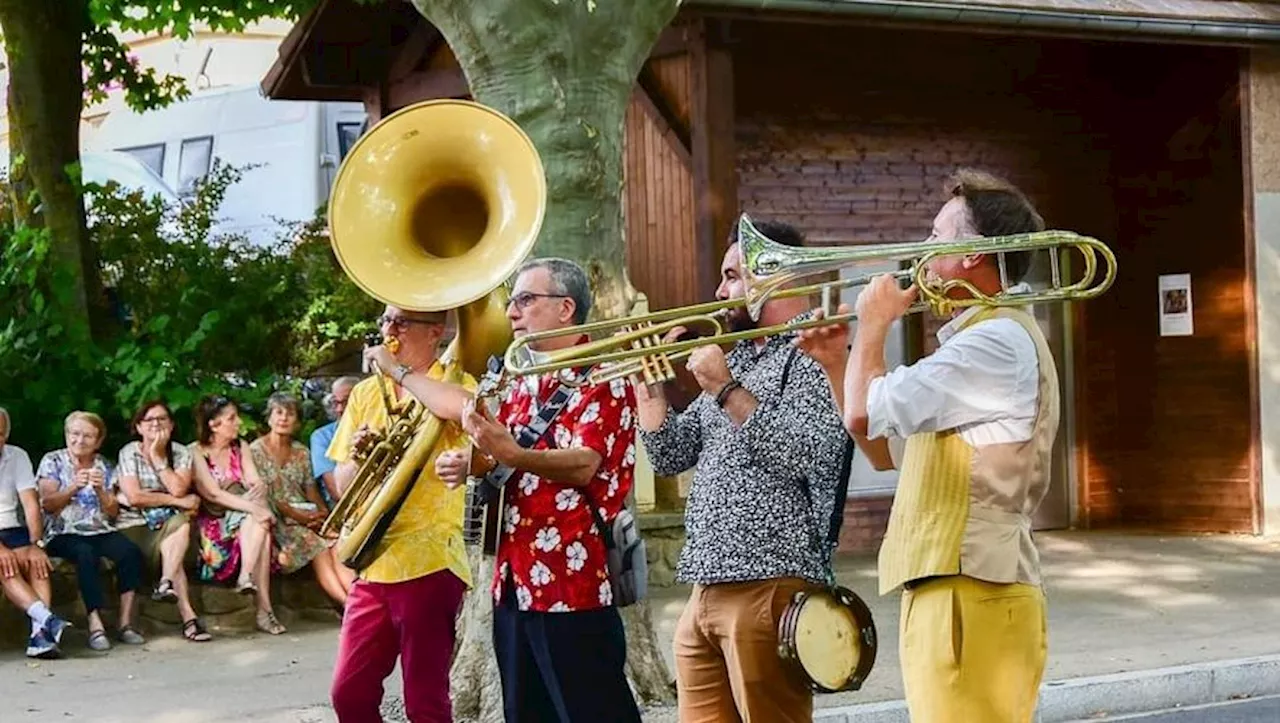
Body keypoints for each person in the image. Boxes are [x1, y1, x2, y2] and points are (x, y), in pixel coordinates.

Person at [796, 168, 1059, 723]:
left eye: (937, 237)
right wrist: (836, 361)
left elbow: (866, 409)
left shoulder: (996, 339)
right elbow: (881, 450)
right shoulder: (981, 338)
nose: (923, 250)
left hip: (973, 590)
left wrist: (871, 327)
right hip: (955, 587)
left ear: (972, 254)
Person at [635, 222, 850, 723]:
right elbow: (671, 455)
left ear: (779, 277)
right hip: (704, 586)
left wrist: (725, 388)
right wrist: (648, 387)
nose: (719, 292)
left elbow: (807, 454)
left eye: (732, 276)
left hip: (770, 582)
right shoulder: (743, 358)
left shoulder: (817, 353)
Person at [436, 257, 643, 723]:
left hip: (572, 581)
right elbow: (508, 457)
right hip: (513, 580)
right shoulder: (522, 378)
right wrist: (472, 461)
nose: (511, 312)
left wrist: (511, 454)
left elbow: (584, 465)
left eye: (526, 300)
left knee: (593, 712)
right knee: (525, 713)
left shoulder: (603, 376)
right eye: (512, 302)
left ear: (566, 308)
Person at [326, 305, 475, 723]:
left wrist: (400, 373)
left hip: (430, 558)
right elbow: (342, 483)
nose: (389, 329)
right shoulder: (364, 393)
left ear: (435, 333)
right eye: (385, 321)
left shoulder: (456, 380)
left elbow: (464, 407)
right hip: (374, 561)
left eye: (401, 322)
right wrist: (359, 456)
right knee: (348, 693)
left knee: (424, 701)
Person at [37, 411, 147, 651]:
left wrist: (100, 491)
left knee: (130, 552)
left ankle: (126, 623)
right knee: (86, 554)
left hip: (99, 529)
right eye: (75, 434)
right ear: (67, 435)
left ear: (97, 441)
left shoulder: (104, 465)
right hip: (62, 532)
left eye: (88, 436)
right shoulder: (53, 461)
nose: (80, 440)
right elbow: (48, 504)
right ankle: (95, 624)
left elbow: (113, 511)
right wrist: (73, 486)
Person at [115, 399, 211, 642]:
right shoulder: (129, 452)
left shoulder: (180, 453)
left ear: (171, 424)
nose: (155, 424)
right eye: (149, 420)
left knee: (180, 528)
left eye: (162, 419)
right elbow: (135, 497)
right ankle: (188, 618)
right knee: (176, 542)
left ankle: (167, 583)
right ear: (139, 427)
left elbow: (179, 487)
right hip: (134, 527)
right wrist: (176, 502)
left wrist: (158, 458)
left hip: (170, 527)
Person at [189, 395, 285, 635]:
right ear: (213, 424)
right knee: (261, 523)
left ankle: (247, 579)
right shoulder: (195, 452)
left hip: (246, 517)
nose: (238, 422)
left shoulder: (240, 447)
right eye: (231, 418)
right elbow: (213, 495)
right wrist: (253, 507)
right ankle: (264, 609)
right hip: (215, 527)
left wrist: (257, 489)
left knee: (259, 524)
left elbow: (253, 480)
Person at [250, 392, 353, 606]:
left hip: (304, 517)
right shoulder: (255, 451)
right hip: (277, 520)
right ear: (269, 418)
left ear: (297, 422)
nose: (284, 418)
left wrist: (322, 514)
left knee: (335, 541)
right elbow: (267, 496)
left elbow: (311, 490)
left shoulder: (302, 452)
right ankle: (347, 604)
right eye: (278, 412)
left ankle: (356, 600)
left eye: (290, 414)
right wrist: (300, 517)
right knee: (317, 545)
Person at [0, 407, 69, 658]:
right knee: (5, 565)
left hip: (10, 528)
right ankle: (47, 620)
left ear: (6, 435)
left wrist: (37, 543)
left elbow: (30, 503)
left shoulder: (16, 456)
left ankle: (40, 637)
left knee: (36, 562)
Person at [310, 376, 359, 508]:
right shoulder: (322, 436)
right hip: (344, 511)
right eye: (335, 403)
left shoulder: (375, 426)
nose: (339, 409)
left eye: (346, 402)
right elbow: (337, 492)